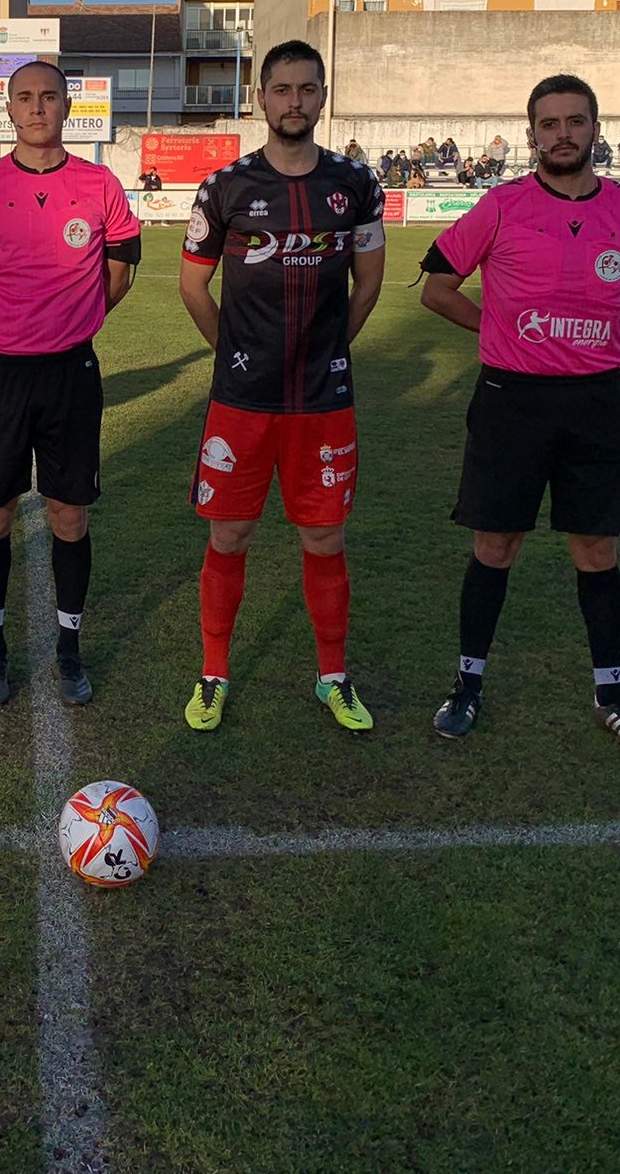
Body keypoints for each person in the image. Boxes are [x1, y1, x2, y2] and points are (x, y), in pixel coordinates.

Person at [417, 72, 620, 753]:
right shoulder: (500, 207)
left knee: (597, 549)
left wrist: (605, 343)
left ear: (596, 129)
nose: (562, 133)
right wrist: (498, 332)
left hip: (597, 402)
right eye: (549, 123)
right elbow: (438, 288)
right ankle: (467, 686)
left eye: (575, 121)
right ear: (531, 133)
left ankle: (612, 695)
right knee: (495, 546)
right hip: (511, 401)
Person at [178, 39, 387, 733]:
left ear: (321, 98)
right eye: (282, 89)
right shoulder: (226, 187)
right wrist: (235, 352)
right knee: (229, 535)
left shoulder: (356, 185)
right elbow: (192, 284)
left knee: (325, 541)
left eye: (307, 89)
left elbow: (369, 284)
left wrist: (328, 350)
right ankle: (213, 674)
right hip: (242, 401)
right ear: (260, 99)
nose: (294, 101)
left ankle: (333, 677)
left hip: (322, 402)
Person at [0, 62, 142, 707]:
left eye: (48, 97)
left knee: (69, 514)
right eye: (24, 98)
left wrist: (76, 323)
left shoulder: (100, 184)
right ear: (8, 108)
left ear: (66, 106)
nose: (36, 108)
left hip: (71, 374)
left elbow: (121, 274)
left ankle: (68, 646)